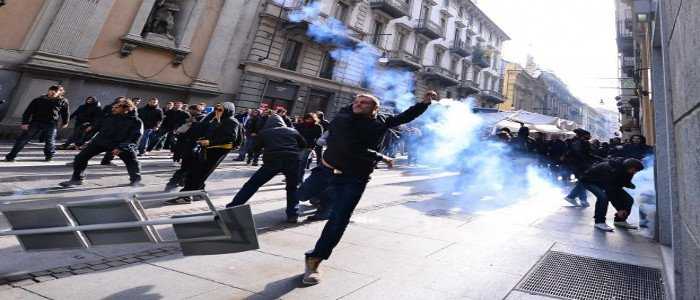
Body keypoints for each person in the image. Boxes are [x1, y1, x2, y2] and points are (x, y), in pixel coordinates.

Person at [301, 91, 437, 286]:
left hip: (355, 177)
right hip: (327, 171)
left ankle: (315, 259)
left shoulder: (381, 122)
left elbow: (404, 117)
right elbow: (350, 147)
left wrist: (424, 103)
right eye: (356, 101)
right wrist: (381, 157)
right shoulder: (343, 117)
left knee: (339, 219)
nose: (358, 104)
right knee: (300, 195)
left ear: (375, 109)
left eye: (364, 102)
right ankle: (315, 200)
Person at [225, 114, 307, 222]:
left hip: (272, 161)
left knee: (253, 184)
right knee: (292, 188)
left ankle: (234, 206)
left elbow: (255, 148)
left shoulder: (264, 133)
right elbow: (303, 144)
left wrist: (264, 149)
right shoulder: (292, 131)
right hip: (292, 160)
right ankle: (293, 214)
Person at [166, 102, 242, 204]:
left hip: (216, 151)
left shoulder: (231, 122)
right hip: (205, 148)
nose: (217, 111)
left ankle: (186, 196)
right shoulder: (213, 118)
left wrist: (210, 142)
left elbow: (230, 138)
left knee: (198, 173)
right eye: (216, 109)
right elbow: (203, 129)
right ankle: (198, 193)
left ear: (228, 111)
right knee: (196, 171)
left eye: (220, 110)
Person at [59, 99, 143, 187]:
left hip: (120, 145)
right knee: (81, 157)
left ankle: (135, 181)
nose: (113, 108)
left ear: (127, 108)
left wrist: (122, 147)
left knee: (132, 162)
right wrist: (80, 142)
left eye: (117, 107)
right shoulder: (108, 117)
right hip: (101, 142)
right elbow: (95, 129)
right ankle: (76, 179)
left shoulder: (136, 121)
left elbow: (135, 137)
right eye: (114, 106)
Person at [5, 85, 69, 162]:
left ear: (60, 93)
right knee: (23, 139)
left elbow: (66, 113)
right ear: (48, 90)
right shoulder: (39, 99)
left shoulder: (63, 101)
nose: (53, 92)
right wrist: (25, 123)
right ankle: (11, 156)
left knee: (50, 141)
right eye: (51, 90)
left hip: (51, 124)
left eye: (56, 91)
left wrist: (65, 122)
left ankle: (49, 156)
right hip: (36, 122)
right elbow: (28, 112)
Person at [579, 158, 644, 232]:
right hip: (590, 181)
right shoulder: (612, 169)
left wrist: (629, 185)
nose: (635, 172)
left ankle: (620, 220)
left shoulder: (628, 171)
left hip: (605, 183)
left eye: (636, 171)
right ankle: (599, 222)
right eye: (634, 170)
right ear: (629, 166)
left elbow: (621, 183)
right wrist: (620, 208)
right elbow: (610, 190)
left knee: (629, 200)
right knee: (603, 198)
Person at [563, 129, 600, 207]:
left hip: (580, 165)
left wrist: (599, 159)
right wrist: (588, 163)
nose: (590, 136)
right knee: (584, 182)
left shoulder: (580, 142)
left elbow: (588, 154)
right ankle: (572, 197)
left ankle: (581, 200)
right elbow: (582, 155)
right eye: (588, 135)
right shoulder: (579, 143)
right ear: (583, 135)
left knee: (583, 182)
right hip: (580, 166)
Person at [295, 113, 323, 182]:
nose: (308, 120)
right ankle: (293, 177)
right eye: (307, 119)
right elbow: (295, 134)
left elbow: (318, 138)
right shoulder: (300, 125)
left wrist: (313, 147)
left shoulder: (317, 127)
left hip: (308, 146)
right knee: (295, 162)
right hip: (297, 146)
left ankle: (299, 179)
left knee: (302, 163)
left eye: (310, 119)